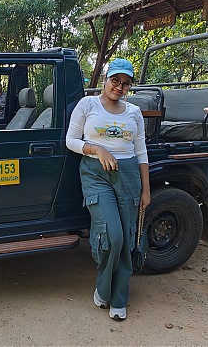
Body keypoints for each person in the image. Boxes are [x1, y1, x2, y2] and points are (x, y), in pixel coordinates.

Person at [65, 58, 151, 321]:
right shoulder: (87, 104)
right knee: (111, 235)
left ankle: (118, 298)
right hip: (95, 173)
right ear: (105, 78)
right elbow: (70, 140)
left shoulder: (134, 112)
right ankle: (103, 287)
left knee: (126, 237)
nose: (120, 87)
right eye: (116, 80)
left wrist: (146, 190)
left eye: (126, 83)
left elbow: (141, 151)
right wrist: (97, 149)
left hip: (128, 175)